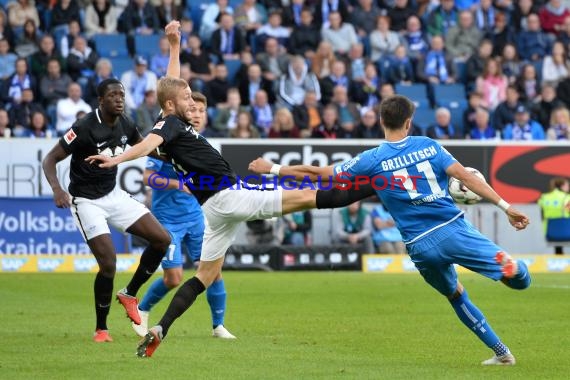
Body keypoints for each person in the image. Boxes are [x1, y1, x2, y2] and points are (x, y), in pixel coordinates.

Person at [84, 21, 345, 357]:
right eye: (186, 99)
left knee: (209, 273)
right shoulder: (167, 126)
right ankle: (372, 186)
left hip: (203, 208)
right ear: (173, 104)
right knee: (179, 274)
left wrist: (174, 46)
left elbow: (171, 85)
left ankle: (185, 324)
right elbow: (147, 146)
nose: (191, 102)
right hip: (201, 205)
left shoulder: (175, 120)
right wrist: (115, 160)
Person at [249, 95, 532, 365]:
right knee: (520, 279)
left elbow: (317, 174)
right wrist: (506, 207)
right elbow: (465, 177)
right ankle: (511, 269)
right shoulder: (429, 145)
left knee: (456, 295)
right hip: (452, 229)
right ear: (409, 122)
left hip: (420, 247)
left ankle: (502, 353)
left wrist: (271, 167)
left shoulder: (372, 160)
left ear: (381, 122)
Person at [42, 77, 171, 343]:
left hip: (113, 195)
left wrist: (179, 155)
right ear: (100, 100)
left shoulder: (126, 123)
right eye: (112, 95)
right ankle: (101, 328)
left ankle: (129, 293)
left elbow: (145, 148)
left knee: (162, 239)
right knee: (109, 263)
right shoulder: (83, 127)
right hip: (86, 201)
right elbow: (50, 159)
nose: (119, 99)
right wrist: (57, 189)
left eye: (121, 95)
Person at [135, 91, 236, 340]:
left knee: (213, 270)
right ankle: (142, 308)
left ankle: (218, 326)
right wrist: (177, 184)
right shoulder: (168, 139)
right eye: (193, 110)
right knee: (173, 278)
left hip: (196, 217)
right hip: (168, 219)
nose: (198, 115)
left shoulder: (201, 144)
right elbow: (148, 178)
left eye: (202, 111)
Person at [537, 177, 570, 254]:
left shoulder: (544, 197)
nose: (568, 187)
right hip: (567, 232)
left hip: (550, 232)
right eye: (567, 185)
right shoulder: (567, 197)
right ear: (562, 186)